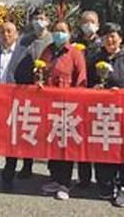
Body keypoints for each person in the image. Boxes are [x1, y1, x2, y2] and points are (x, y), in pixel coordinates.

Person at [90, 23, 124, 207]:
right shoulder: (96, 58)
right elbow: (85, 83)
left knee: (122, 151)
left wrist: (120, 92)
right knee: (102, 147)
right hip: (101, 113)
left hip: (123, 113)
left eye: (113, 36)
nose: (110, 40)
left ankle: (123, 187)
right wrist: (94, 88)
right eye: (106, 37)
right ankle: (105, 183)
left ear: (120, 38)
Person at [37, 20, 87, 201]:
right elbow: (39, 70)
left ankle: (65, 182)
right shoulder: (48, 51)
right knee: (52, 141)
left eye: (63, 31)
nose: (59, 34)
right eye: (56, 30)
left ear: (70, 33)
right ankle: (54, 178)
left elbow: (81, 79)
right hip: (49, 105)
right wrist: (39, 81)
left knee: (66, 144)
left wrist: (76, 101)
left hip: (69, 106)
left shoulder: (75, 53)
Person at [0, 21, 32, 191]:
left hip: (14, 103)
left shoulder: (24, 53)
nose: (6, 35)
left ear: (17, 34)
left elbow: (27, 81)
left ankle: (8, 177)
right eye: (2, 31)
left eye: (10, 31)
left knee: (11, 142)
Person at [6, 7, 53, 179]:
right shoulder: (25, 40)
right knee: (26, 128)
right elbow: (15, 63)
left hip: (46, 90)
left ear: (48, 21)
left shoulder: (52, 40)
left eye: (42, 18)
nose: (39, 21)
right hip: (25, 89)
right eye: (36, 18)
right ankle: (25, 165)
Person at [75, 10, 102, 189]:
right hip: (79, 98)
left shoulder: (102, 45)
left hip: (99, 99)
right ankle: (84, 178)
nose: (88, 25)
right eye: (85, 22)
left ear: (97, 25)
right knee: (81, 139)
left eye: (91, 22)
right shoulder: (74, 44)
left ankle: (102, 179)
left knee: (100, 139)